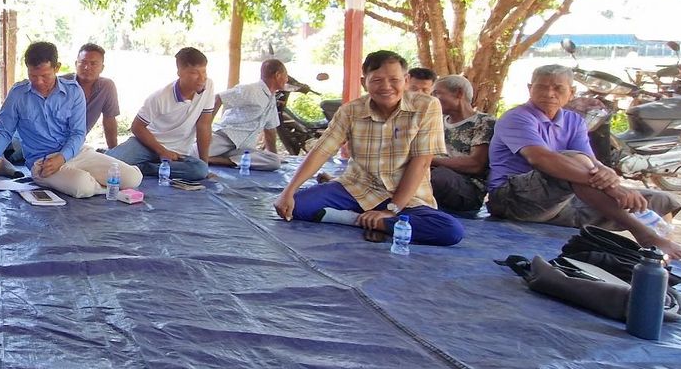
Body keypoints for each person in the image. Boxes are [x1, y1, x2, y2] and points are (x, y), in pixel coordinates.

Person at [486, 64, 681, 258]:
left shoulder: (573, 120)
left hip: (562, 204)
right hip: (513, 200)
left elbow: (591, 162)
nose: (549, 94)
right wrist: (614, 189)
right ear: (530, 89)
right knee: (569, 161)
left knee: (658, 201)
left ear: (572, 92)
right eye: (541, 87)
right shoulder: (517, 117)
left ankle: (658, 261)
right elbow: (541, 159)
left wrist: (609, 175)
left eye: (558, 88)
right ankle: (646, 235)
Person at [274, 50, 465, 246]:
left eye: (394, 80)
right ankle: (370, 220)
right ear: (364, 82)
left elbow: (422, 161)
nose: (386, 87)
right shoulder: (351, 111)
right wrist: (288, 192)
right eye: (377, 80)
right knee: (295, 206)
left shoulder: (427, 106)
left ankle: (366, 220)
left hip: (407, 196)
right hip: (357, 188)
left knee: (450, 230)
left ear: (406, 80)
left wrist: (391, 210)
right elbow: (322, 150)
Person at [0, 42, 143, 198]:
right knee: (82, 186)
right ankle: (108, 190)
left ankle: (94, 183)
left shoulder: (73, 92)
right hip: (41, 162)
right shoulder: (18, 94)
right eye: (33, 76)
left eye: (45, 75)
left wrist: (63, 157)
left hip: (75, 152)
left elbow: (78, 133)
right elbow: (4, 132)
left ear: (57, 68)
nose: (38, 81)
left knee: (132, 178)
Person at [105, 47, 216, 181]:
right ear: (179, 72)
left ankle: (142, 168)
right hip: (147, 144)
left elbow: (204, 125)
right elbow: (137, 127)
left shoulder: (208, 86)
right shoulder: (159, 97)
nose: (202, 78)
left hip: (177, 151)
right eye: (194, 73)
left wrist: (205, 165)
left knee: (199, 170)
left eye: (204, 71)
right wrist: (162, 151)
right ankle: (142, 165)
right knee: (108, 163)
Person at [205, 57, 287, 170]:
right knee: (191, 155)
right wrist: (206, 129)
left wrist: (273, 155)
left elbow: (270, 130)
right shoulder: (251, 90)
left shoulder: (272, 98)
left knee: (274, 162)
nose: (286, 79)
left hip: (243, 148)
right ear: (278, 75)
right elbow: (218, 98)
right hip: (226, 138)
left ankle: (215, 160)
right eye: (286, 76)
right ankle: (207, 157)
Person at [429, 74, 495, 215]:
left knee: (436, 176)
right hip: (437, 176)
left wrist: (429, 160)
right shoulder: (437, 121)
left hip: (468, 190)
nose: (432, 99)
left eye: (436, 94)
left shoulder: (484, 122)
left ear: (459, 93)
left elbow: (475, 164)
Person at [59, 43, 121, 148]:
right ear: (76, 64)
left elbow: (109, 119)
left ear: (102, 68)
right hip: (45, 139)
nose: (87, 67)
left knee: (116, 163)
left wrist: (113, 150)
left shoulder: (106, 87)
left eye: (93, 64)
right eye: (83, 62)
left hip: (73, 145)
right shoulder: (60, 84)